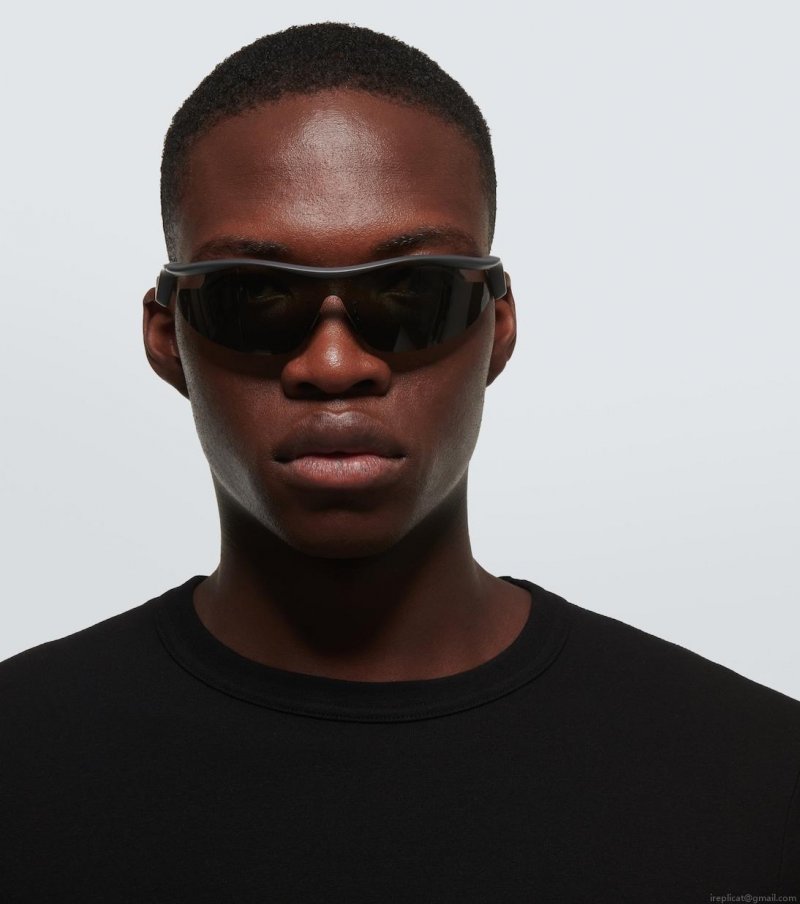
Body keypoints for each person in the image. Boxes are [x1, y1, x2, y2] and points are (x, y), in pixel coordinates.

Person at [1, 21, 798, 900]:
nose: (334, 364)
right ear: (167, 339)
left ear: (497, 327)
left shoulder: (763, 779)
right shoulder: (21, 758)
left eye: (412, 295)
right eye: (254, 297)